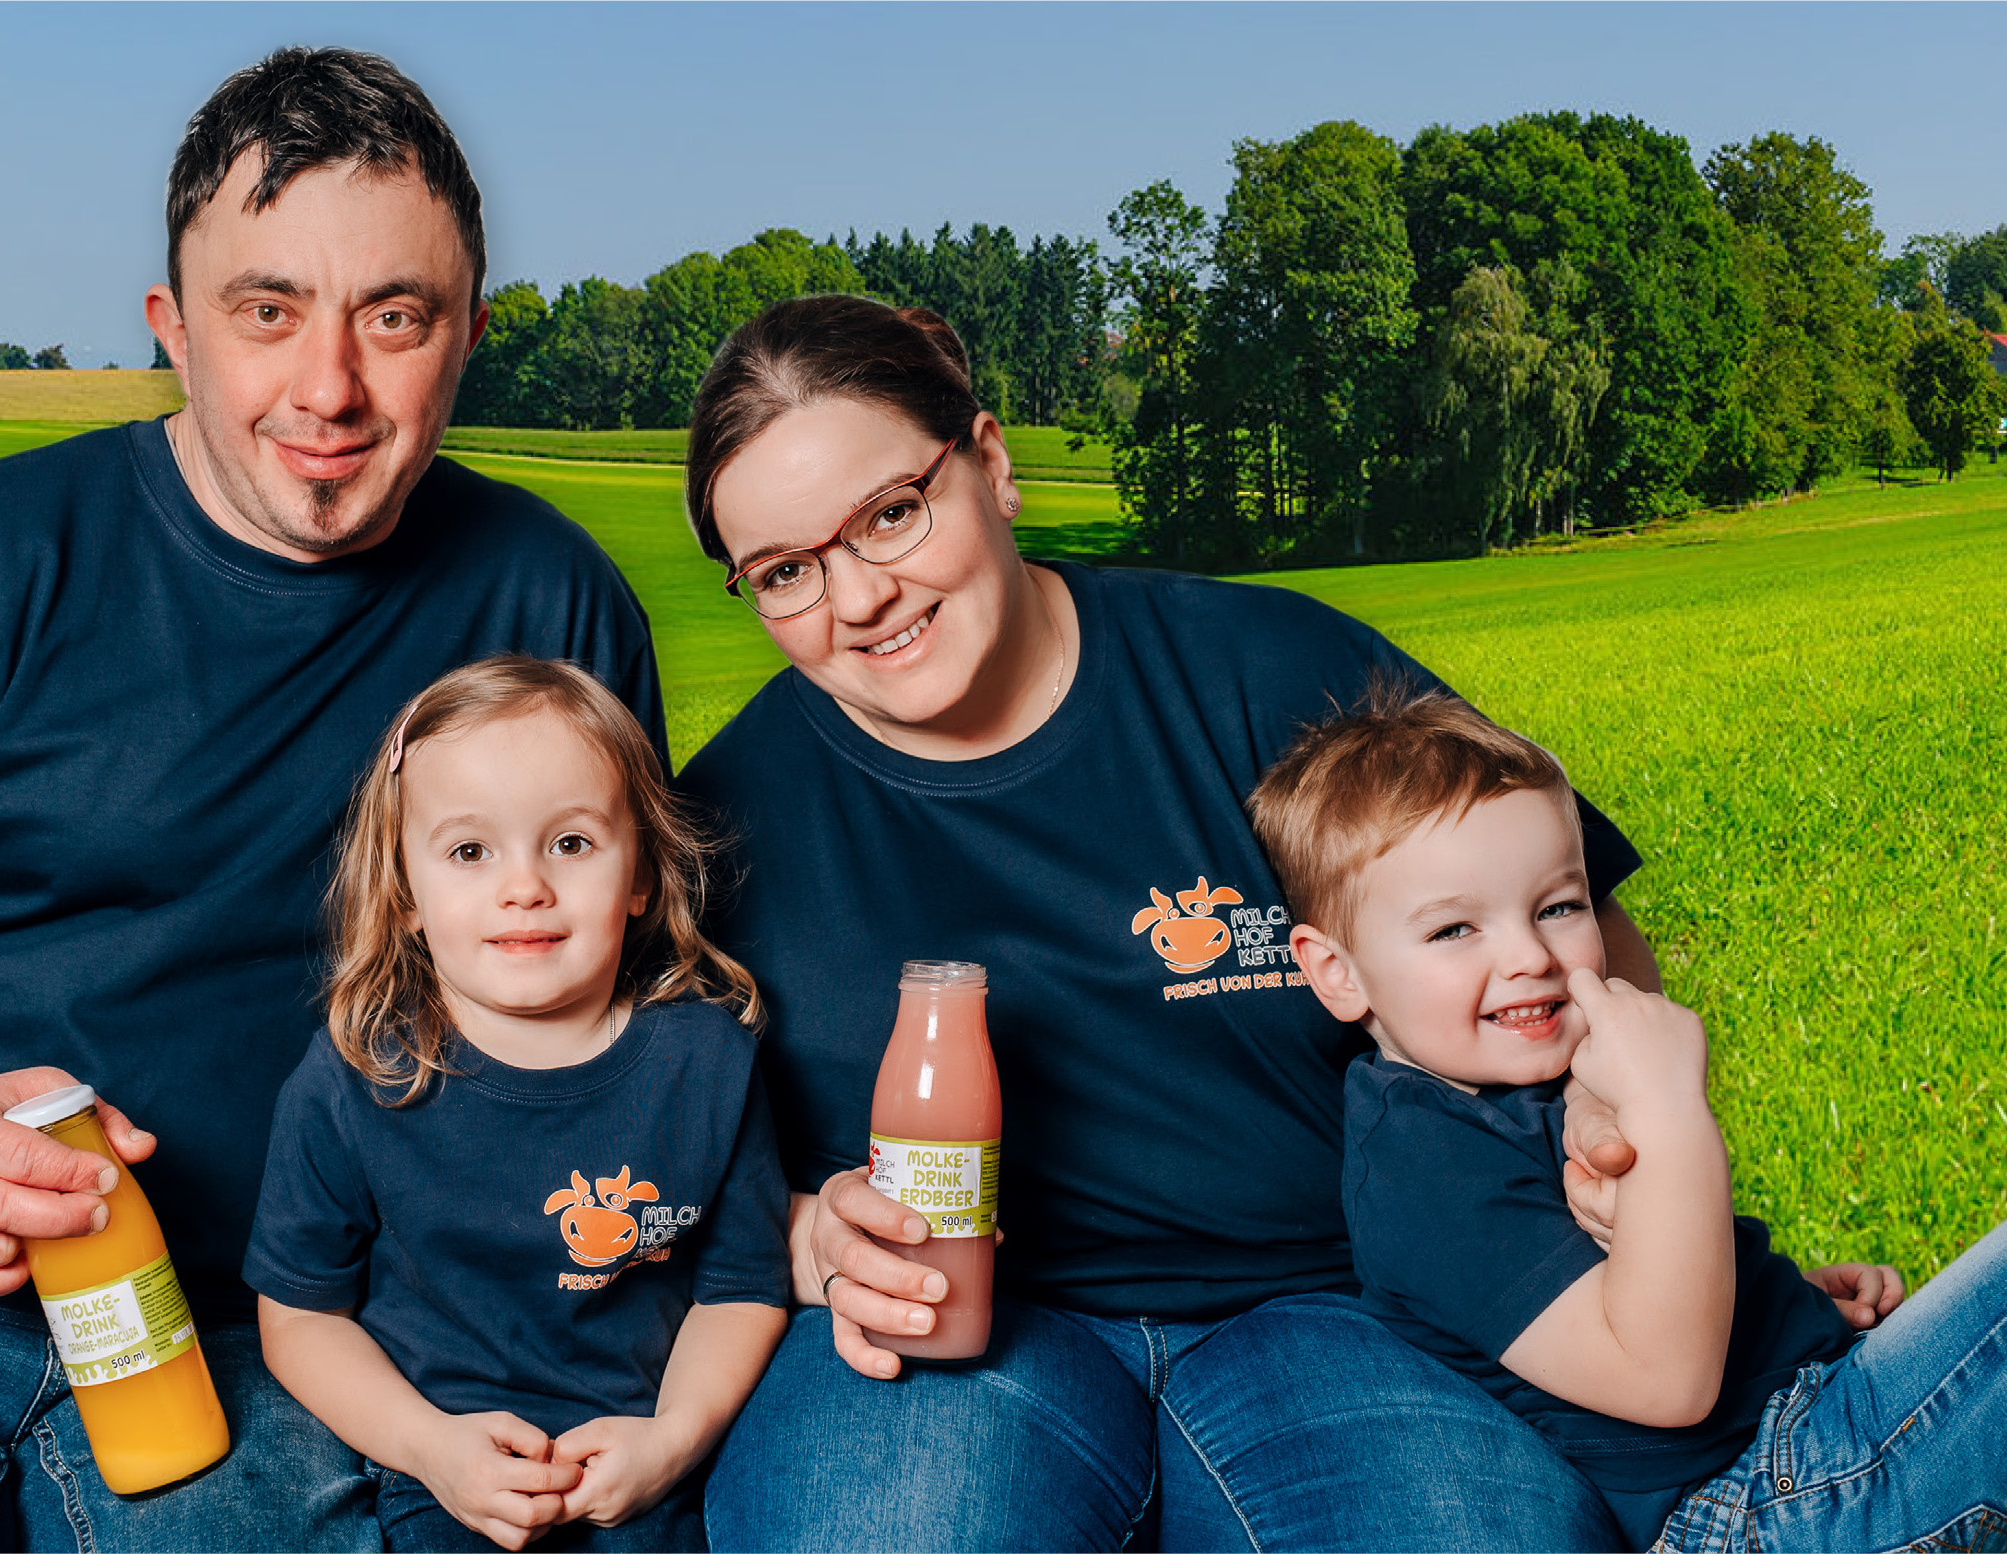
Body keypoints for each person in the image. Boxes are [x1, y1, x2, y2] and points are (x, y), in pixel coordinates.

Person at [0, 49, 662, 1552]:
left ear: (470, 336)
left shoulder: (548, 605)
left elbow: (624, 987)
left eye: (394, 317)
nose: (329, 387)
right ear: (172, 329)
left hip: (275, 1318)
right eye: (267, 311)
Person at [674, 294, 1660, 1551]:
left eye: (888, 514)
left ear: (989, 462)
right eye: (785, 572)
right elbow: (610, 1137)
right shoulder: (718, 821)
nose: (858, 596)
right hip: (935, 1331)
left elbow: (1584, 937)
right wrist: (804, 1235)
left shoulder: (1272, 673)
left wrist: (1634, 1168)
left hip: (1344, 1303)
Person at [1252, 685, 2007, 1554]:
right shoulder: (1422, 1169)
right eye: (1455, 929)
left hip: (1804, 1427)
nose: (1529, 955)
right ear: (1337, 972)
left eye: (1559, 907)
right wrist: (1668, 1108)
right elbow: (1665, 1381)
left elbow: (1645, 1289)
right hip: (1757, 1502)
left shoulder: (1526, 1084)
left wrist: (1774, 1307)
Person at [249, 657, 789, 1553]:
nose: (525, 886)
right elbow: (301, 1317)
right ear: (406, 890)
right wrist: (427, 1448)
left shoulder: (709, 1064)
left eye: (571, 843)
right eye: (470, 851)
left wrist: (672, 1440)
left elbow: (740, 1292)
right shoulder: (356, 1077)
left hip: (648, 1468)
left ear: (642, 873)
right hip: (445, 1475)